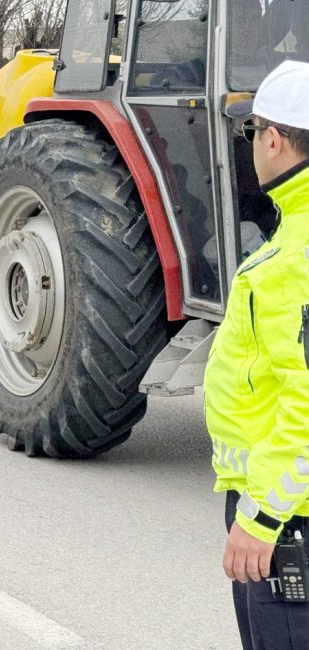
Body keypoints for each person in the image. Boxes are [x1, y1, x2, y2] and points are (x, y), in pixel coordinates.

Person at [204, 59, 309, 649]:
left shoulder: (293, 257)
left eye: (251, 134)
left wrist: (263, 516)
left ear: (271, 138)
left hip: (292, 515)